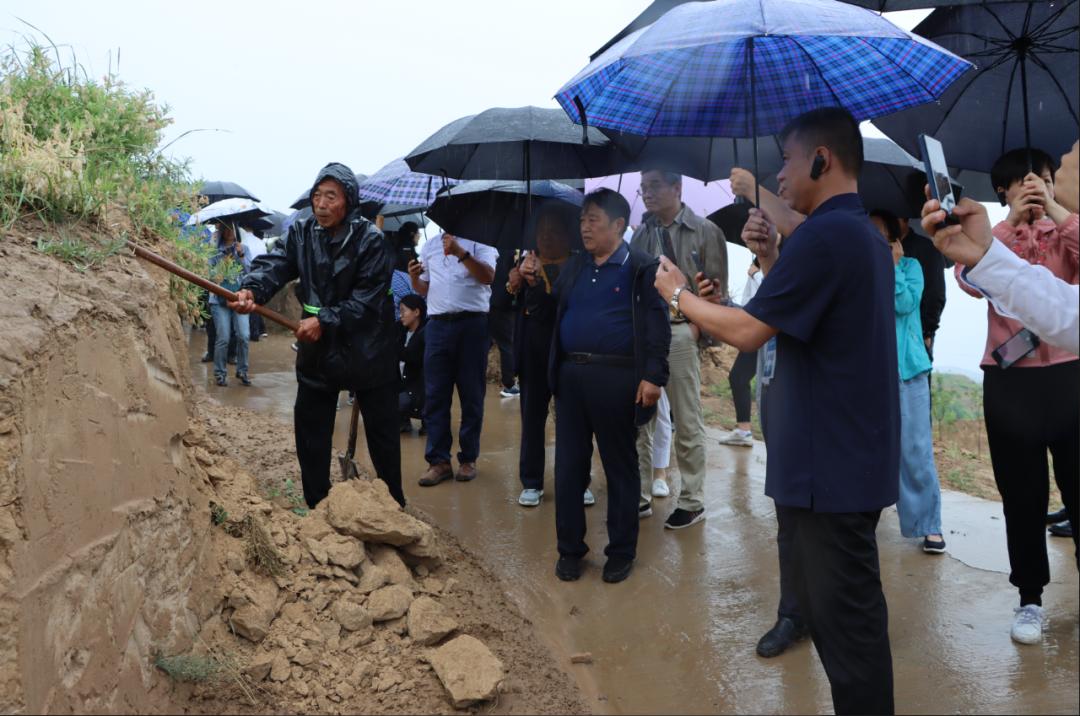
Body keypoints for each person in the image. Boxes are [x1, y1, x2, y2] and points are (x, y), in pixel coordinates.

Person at [656, 108, 898, 715]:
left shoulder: (827, 236)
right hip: (843, 464)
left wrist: (678, 295)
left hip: (830, 473)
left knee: (850, 638)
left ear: (823, 159)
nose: (780, 176)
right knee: (849, 626)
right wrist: (768, 260)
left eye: (788, 159)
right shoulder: (851, 233)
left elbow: (746, 331)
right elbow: (793, 315)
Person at [948, 147, 1078, 646]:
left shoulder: (1066, 232)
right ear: (1002, 190)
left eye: (1045, 181)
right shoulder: (994, 239)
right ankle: (1029, 599)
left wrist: (1056, 212)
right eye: (1026, 183)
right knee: (1022, 496)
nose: (1037, 188)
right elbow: (966, 279)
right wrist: (1007, 227)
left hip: (1071, 375)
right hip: (1010, 379)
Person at [230, 162, 404, 508]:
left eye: (331, 196)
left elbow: (367, 300)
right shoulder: (301, 232)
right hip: (318, 348)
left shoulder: (371, 239)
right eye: (317, 195)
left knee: (383, 432)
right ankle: (318, 505)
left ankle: (394, 505)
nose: (321, 204)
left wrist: (325, 319)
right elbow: (275, 263)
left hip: (369, 346)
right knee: (310, 429)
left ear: (348, 201)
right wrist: (252, 289)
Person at [551, 188, 670, 584]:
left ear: (619, 225)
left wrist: (654, 376)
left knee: (619, 467)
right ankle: (570, 550)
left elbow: (657, 327)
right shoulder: (575, 267)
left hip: (617, 378)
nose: (584, 227)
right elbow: (559, 314)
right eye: (583, 219)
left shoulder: (641, 267)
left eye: (594, 220)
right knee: (569, 467)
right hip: (571, 378)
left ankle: (620, 552)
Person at [631, 169, 728, 529]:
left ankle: (691, 499)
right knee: (641, 417)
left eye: (654, 185)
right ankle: (640, 495)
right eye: (643, 188)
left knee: (687, 418)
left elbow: (718, 293)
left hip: (681, 333)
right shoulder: (640, 234)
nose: (647, 193)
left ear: (677, 187)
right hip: (645, 337)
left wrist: (696, 328)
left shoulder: (705, 231)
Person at [870, 209, 946, 554]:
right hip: (870, 371)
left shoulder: (911, 268)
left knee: (915, 449)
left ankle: (928, 525)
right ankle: (863, 514)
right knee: (867, 448)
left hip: (908, 369)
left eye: (879, 235)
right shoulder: (862, 271)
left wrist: (894, 266)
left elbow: (903, 303)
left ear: (894, 239)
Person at [407, 232, 498, 487]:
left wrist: (461, 253)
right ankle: (439, 462)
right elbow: (424, 289)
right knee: (435, 394)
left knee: (471, 394)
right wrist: (414, 276)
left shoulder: (481, 241)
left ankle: (468, 459)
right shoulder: (430, 246)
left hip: (472, 324)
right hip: (436, 325)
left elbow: (488, 276)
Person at [507, 210, 579, 507]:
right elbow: (501, 304)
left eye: (553, 229)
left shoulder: (578, 266)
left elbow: (558, 307)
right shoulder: (522, 263)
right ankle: (532, 481)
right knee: (533, 416)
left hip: (567, 349)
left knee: (573, 420)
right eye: (541, 229)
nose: (546, 235)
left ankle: (577, 480)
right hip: (532, 351)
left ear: (567, 234)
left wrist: (536, 284)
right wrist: (515, 283)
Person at [718, 258, 762, 448]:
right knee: (738, 377)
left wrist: (756, 274)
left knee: (740, 377)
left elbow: (770, 293)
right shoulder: (755, 272)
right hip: (756, 329)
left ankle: (745, 431)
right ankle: (744, 430)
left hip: (763, 332)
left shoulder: (763, 272)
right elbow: (748, 305)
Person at [208, 222, 252, 387]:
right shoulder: (213, 250)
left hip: (239, 298)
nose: (229, 232)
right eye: (225, 228)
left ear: (236, 231)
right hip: (219, 300)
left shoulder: (244, 249)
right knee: (224, 337)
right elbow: (208, 274)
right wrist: (222, 266)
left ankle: (243, 370)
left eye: (232, 228)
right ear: (221, 231)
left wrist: (240, 256)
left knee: (244, 335)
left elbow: (251, 272)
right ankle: (220, 373)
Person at [490, 249, 520, 398]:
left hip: (488, 300)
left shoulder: (492, 244)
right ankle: (509, 385)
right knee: (507, 344)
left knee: (487, 343)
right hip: (504, 301)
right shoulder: (512, 249)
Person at [398, 293, 427, 435]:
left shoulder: (426, 334)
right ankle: (403, 423)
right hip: (404, 385)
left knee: (397, 401)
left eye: (403, 311)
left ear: (416, 312)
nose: (400, 315)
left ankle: (427, 421)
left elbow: (411, 356)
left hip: (420, 390)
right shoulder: (401, 331)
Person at [391, 222, 420, 318]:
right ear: (412, 234)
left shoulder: (400, 248)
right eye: (418, 232)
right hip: (406, 289)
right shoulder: (406, 250)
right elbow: (414, 270)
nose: (419, 236)